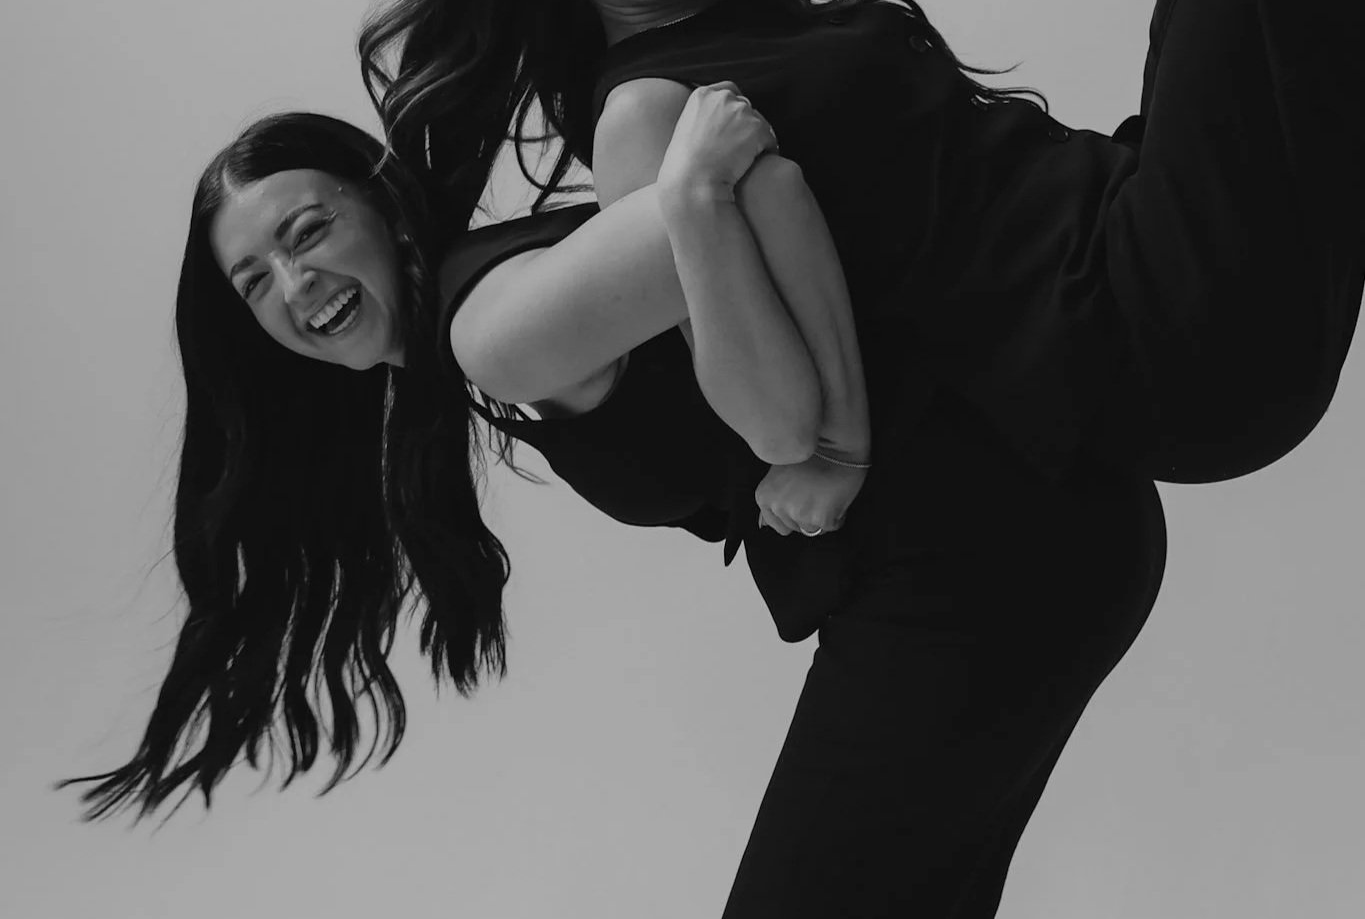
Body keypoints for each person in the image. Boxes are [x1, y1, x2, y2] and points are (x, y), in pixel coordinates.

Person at [62, 106, 1163, 919]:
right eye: (254, 282)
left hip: (981, 557)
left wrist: (832, 437)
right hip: (999, 550)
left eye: (305, 233)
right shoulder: (470, 343)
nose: (295, 288)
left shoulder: (492, 321)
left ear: (382, 203)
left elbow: (756, 189)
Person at [360, 0, 1365, 492]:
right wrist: (832, 452)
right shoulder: (646, 116)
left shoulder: (754, 20)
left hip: (1137, 225)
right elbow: (755, 397)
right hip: (1142, 340)